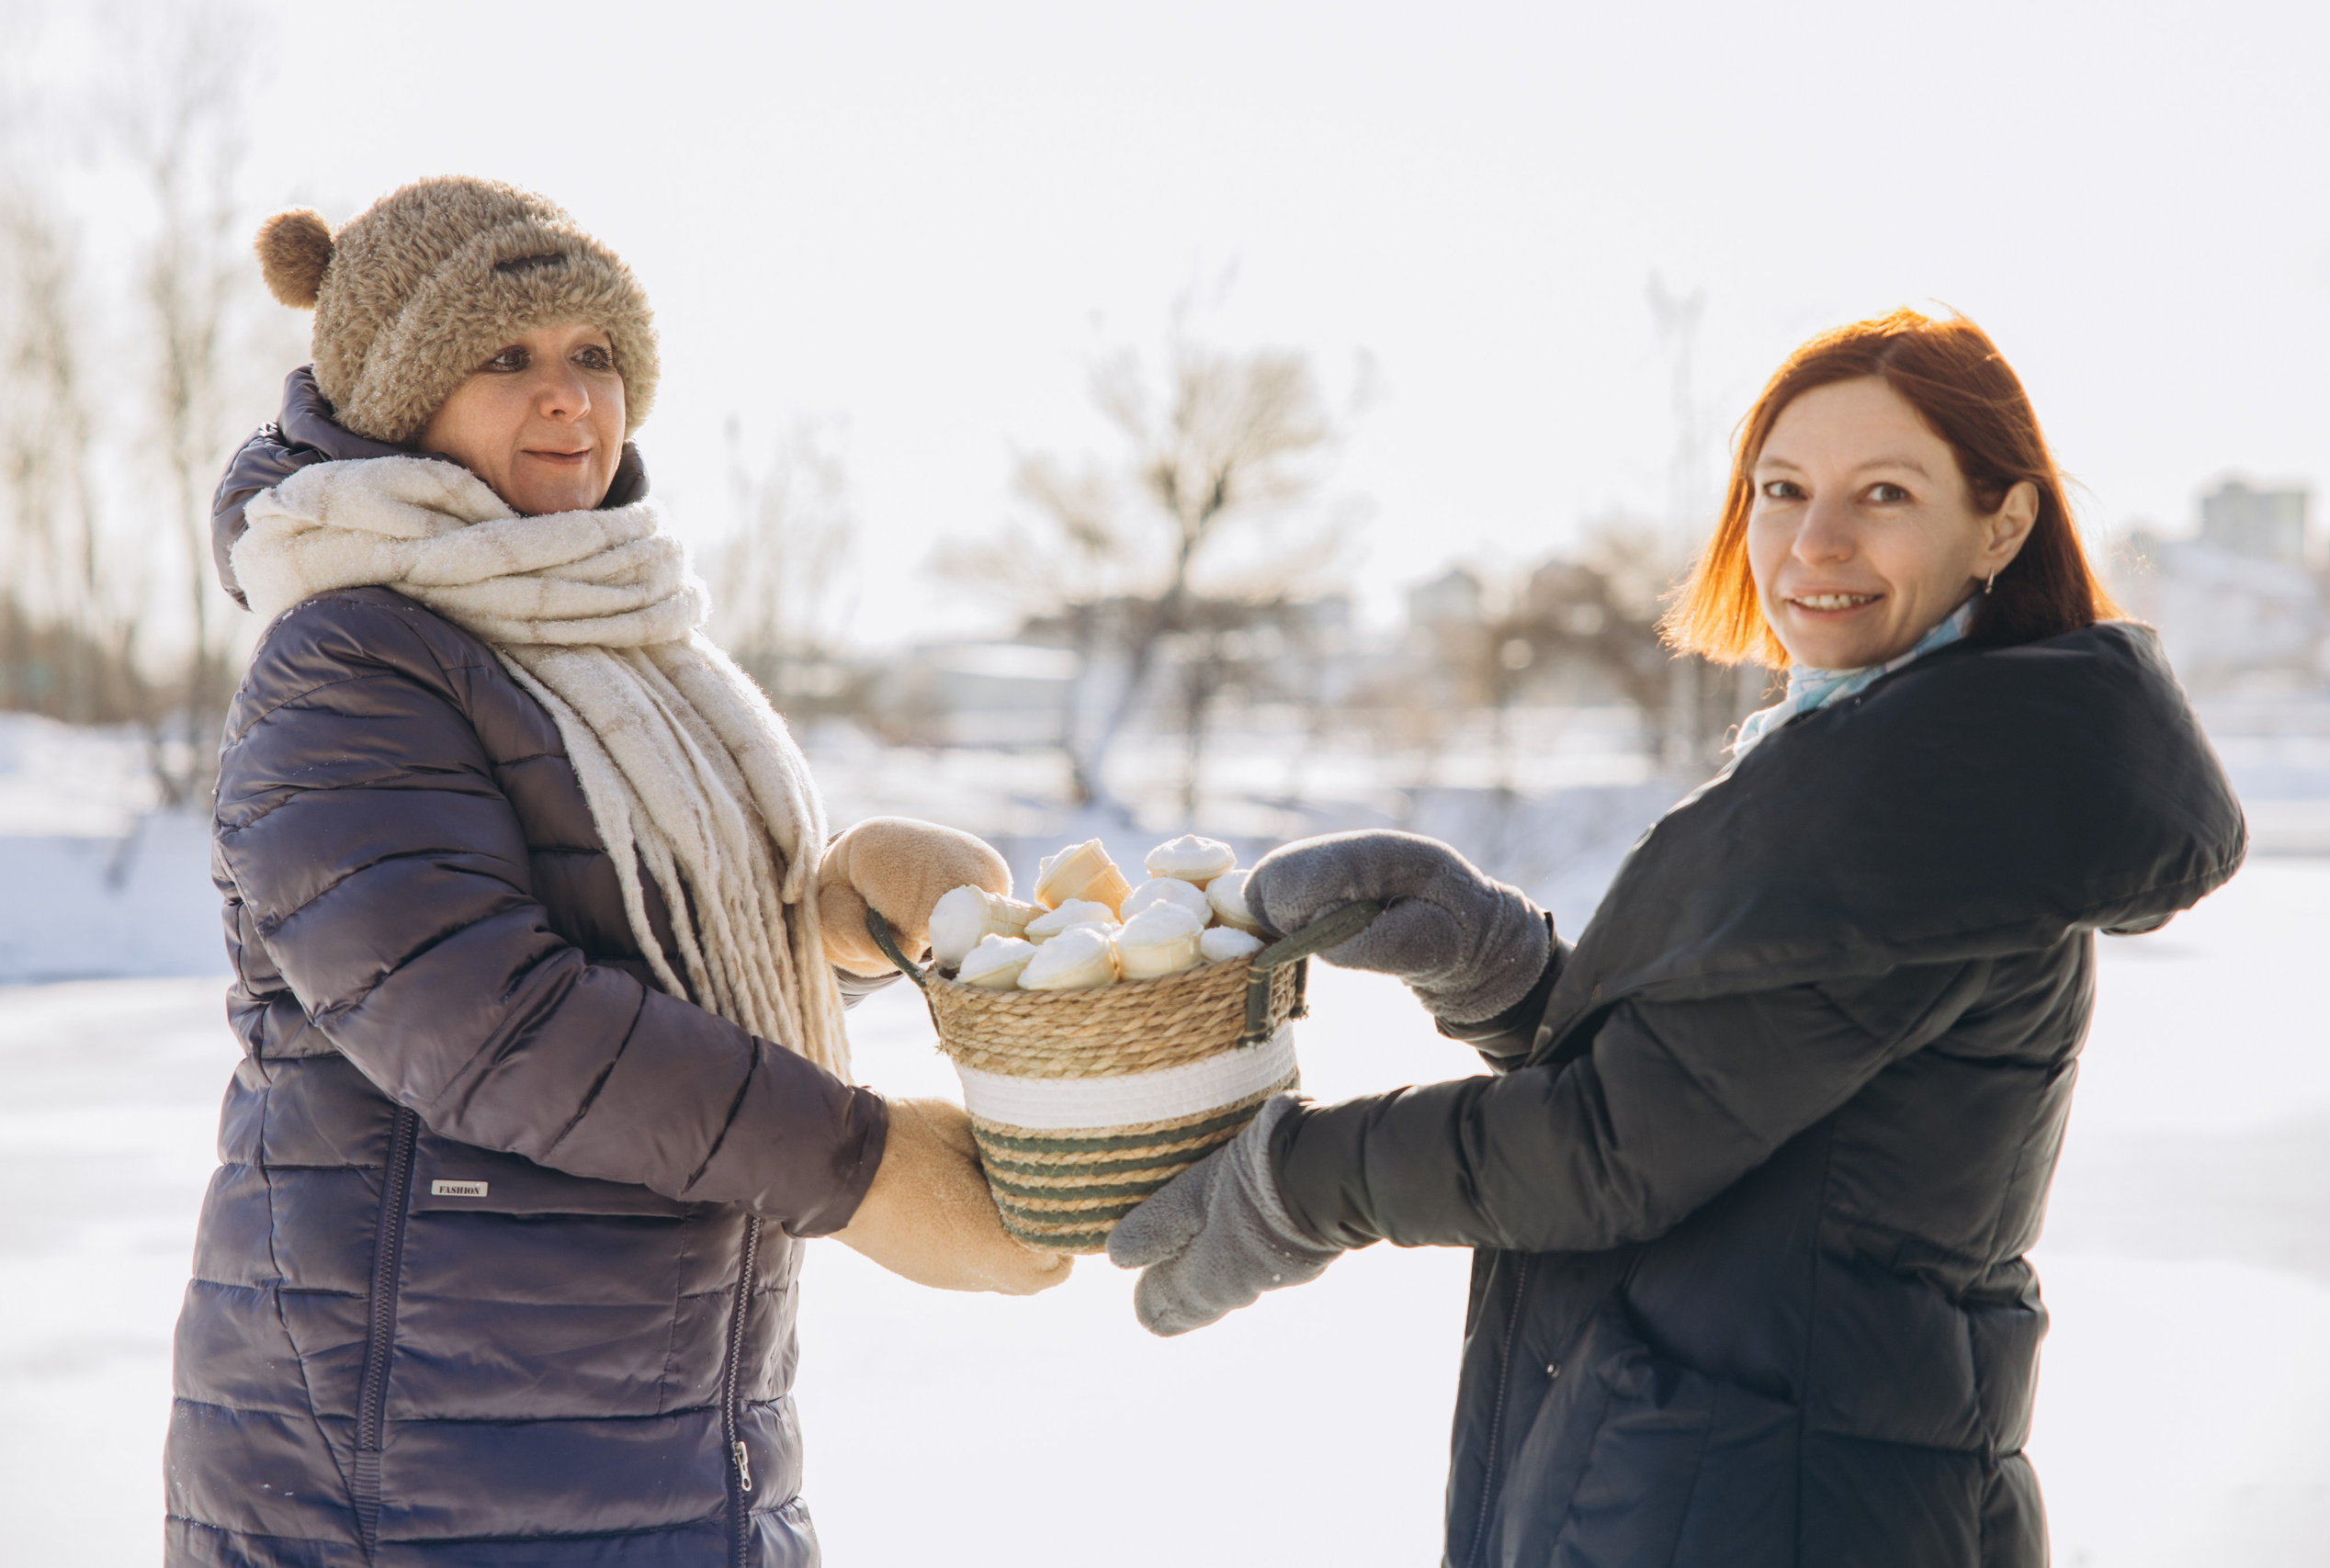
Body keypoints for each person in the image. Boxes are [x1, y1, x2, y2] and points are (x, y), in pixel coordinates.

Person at [1106, 309, 2247, 1566]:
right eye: (1782, 488)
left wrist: (1300, 1184)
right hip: (1738, 1458)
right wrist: (1501, 972)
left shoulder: (1932, 809)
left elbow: (1614, 1150)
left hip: (1782, 1502)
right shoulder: (1886, 756)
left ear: (2002, 523)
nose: (1816, 541)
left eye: (1885, 493)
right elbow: (1719, 1077)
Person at [167, 176, 1066, 1568]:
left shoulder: (622, 635)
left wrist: (823, 924)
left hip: (669, 1435)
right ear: (400, 396)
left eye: (595, 354)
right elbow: (480, 1022)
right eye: (504, 355)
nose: (568, 396)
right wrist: (864, 1166)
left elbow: (648, 952)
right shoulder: (350, 660)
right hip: (417, 1470)